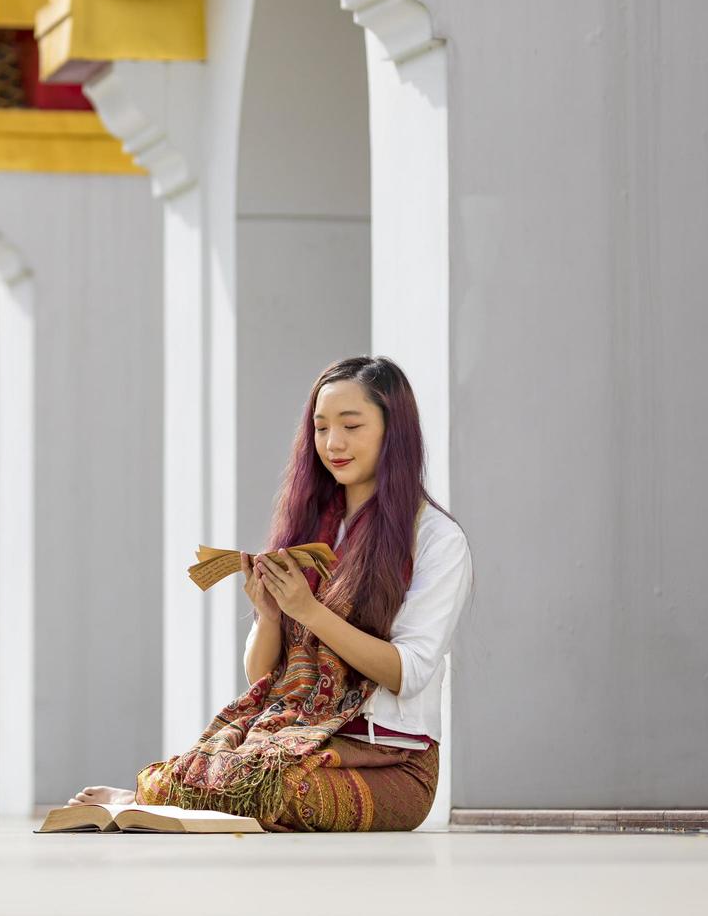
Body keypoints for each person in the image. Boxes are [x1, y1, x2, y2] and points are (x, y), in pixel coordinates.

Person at [66, 355, 473, 831]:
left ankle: (155, 799)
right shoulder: (313, 528)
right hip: (297, 739)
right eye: (321, 428)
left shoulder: (437, 539)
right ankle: (160, 797)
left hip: (392, 762)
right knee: (235, 771)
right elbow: (265, 678)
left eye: (351, 426)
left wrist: (311, 612)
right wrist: (271, 618)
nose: (333, 444)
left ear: (393, 432)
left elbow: (410, 672)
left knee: (275, 788)